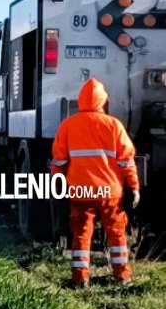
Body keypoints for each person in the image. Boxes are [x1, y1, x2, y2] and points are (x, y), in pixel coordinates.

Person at [51, 78, 140, 287]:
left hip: (80, 191)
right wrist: (134, 187)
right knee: (117, 233)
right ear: (103, 101)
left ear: (80, 100)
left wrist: (57, 182)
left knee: (81, 234)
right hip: (111, 192)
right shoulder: (114, 125)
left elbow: (59, 160)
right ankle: (122, 276)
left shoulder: (68, 125)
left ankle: (80, 278)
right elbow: (127, 161)